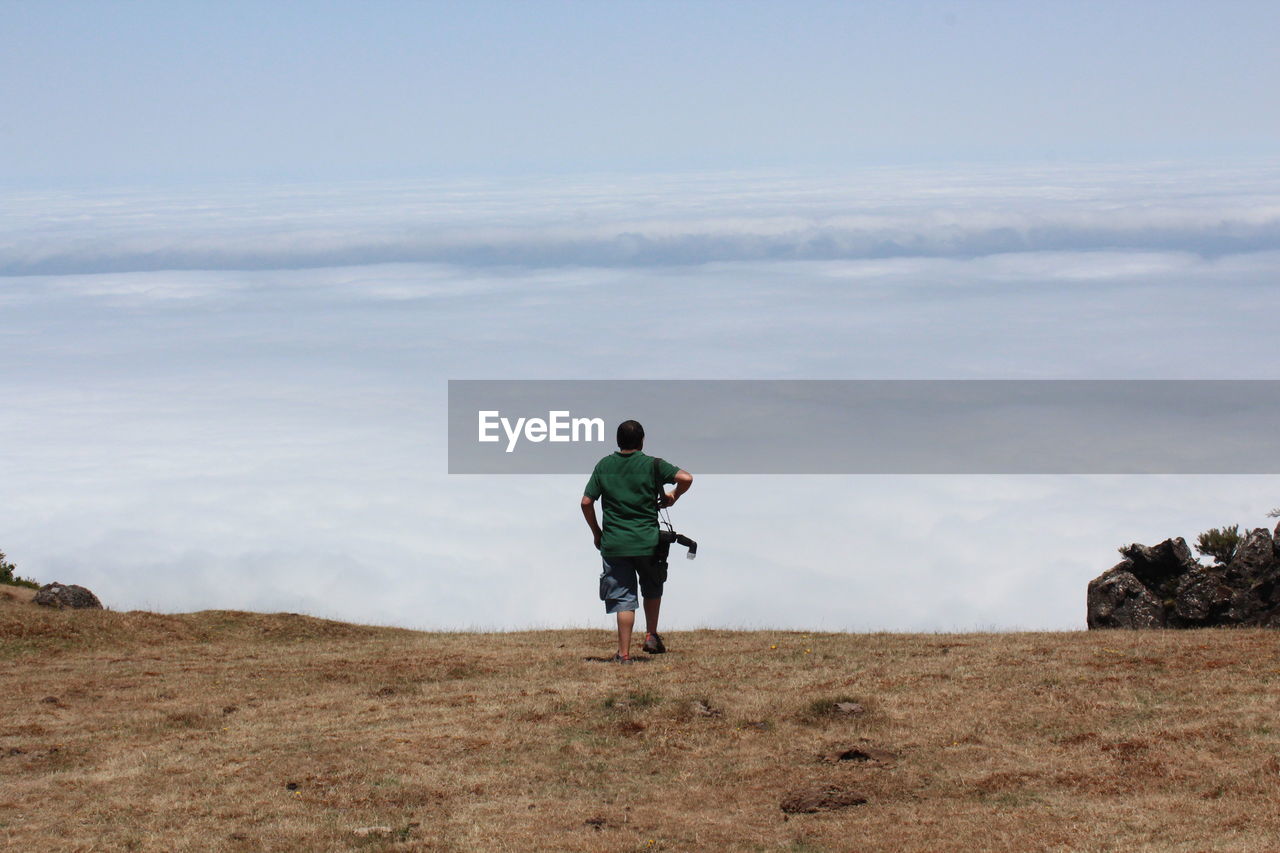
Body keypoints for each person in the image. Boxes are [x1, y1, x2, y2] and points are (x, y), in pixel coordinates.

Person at [580, 420, 693, 663]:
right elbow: (685, 477)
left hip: (615, 543)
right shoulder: (653, 465)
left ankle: (623, 654)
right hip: (648, 542)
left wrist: (596, 533)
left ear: (618, 441)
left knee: (623, 598)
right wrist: (674, 496)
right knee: (652, 588)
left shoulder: (604, 466)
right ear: (642, 441)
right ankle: (651, 635)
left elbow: (586, 502)